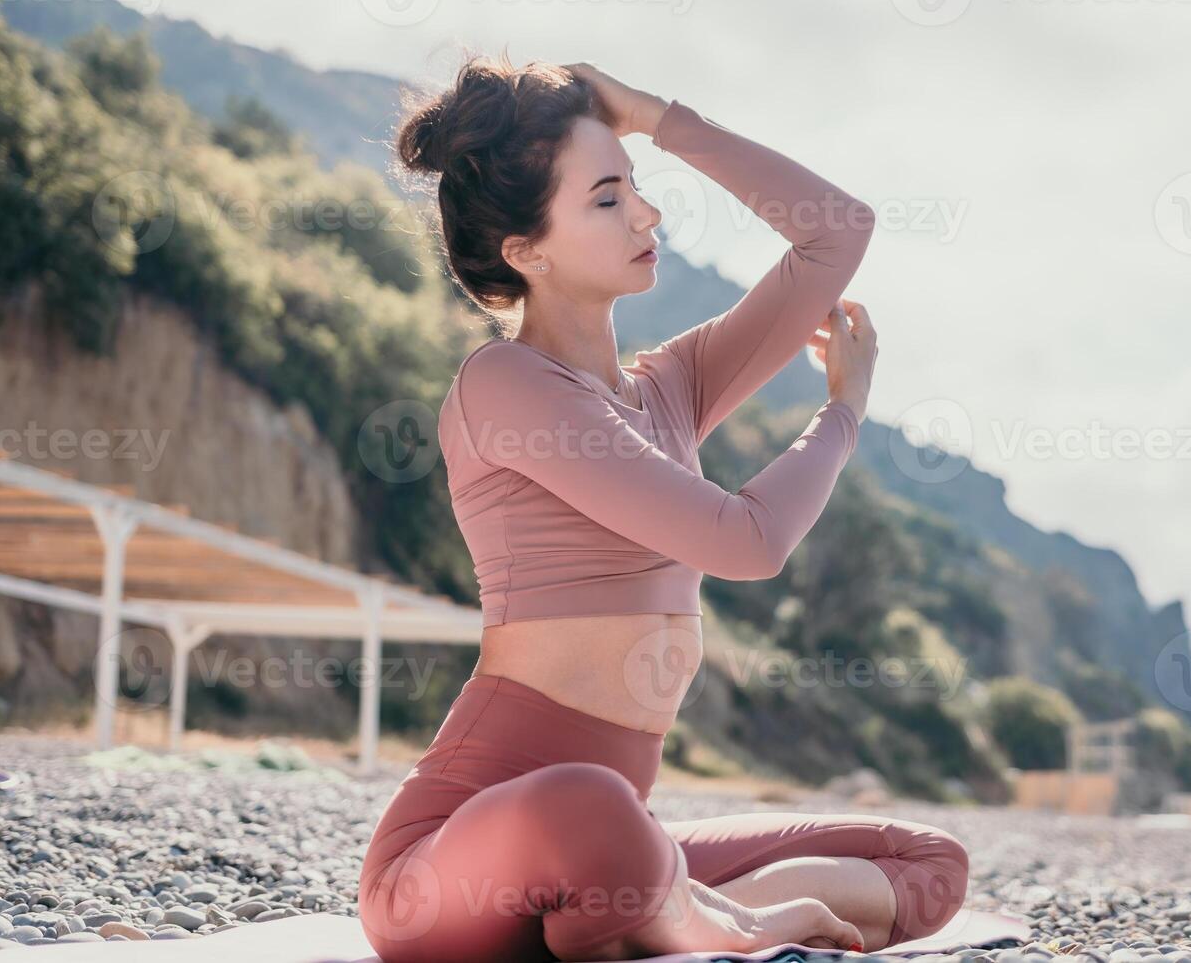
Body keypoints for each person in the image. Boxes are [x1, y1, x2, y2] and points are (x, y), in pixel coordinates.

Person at [356, 53, 969, 962]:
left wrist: (654, 116)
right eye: (606, 198)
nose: (646, 212)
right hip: (456, 864)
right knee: (592, 809)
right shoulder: (507, 383)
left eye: (636, 185)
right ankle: (721, 918)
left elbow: (837, 232)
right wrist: (841, 414)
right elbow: (748, 541)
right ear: (526, 252)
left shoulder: (669, 388)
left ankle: (661, 910)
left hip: (614, 847)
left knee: (926, 861)